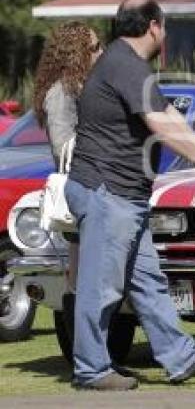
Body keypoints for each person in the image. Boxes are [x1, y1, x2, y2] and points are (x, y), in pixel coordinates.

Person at [65, 0, 195, 391]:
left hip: (124, 196)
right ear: (154, 26)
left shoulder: (128, 65)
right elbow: (159, 123)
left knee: (148, 283)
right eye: (165, 27)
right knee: (101, 288)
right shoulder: (124, 64)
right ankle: (91, 369)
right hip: (108, 192)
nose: (165, 34)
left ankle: (181, 356)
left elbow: (170, 116)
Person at [32, 21, 103, 313]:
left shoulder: (80, 87)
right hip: (83, 191)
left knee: (89, 277)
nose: (103, 51)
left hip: (92, 190)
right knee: (81, 279)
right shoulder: (61, 93)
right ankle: (80, 346)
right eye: (95, 47)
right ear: (78, 53)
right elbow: (63, 147)